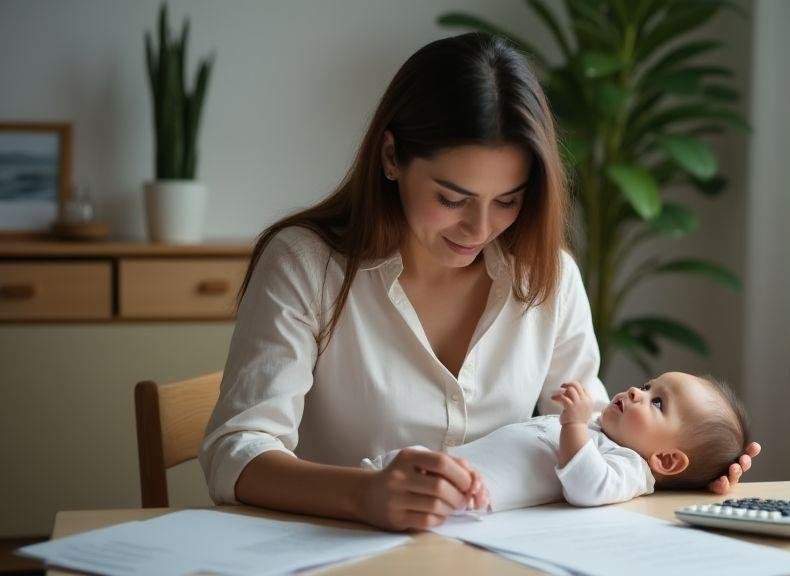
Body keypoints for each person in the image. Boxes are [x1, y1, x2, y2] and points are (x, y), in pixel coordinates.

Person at [198, 32, 760, 532]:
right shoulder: (306, 265)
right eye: (452, 198)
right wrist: (364, 494)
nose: (480, 228)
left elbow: (590, 433)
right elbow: (236, 452)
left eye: (508, 201)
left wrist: (680, 463)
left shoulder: (548, 275)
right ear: (392, 157)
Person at [362, 372, 749, 511]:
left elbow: (587, 487)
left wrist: (575, 423)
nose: (636, 391)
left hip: (462, 495)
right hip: (438, 463)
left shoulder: (631, 468)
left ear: (664, 460)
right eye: (648, 385)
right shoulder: (600, 430)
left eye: (657, 402)